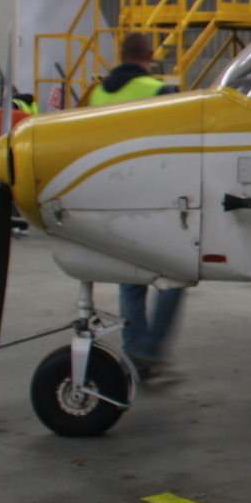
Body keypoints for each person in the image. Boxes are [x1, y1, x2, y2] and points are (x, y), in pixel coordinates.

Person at [84, 31, 181, 377]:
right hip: (154, 198)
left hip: (111, 198)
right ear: (150, 55)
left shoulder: (96, 93)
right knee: (176, 274)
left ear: (121, 55)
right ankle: (150, 346)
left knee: (131, 279)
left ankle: (136, 354)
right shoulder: (158, 92)